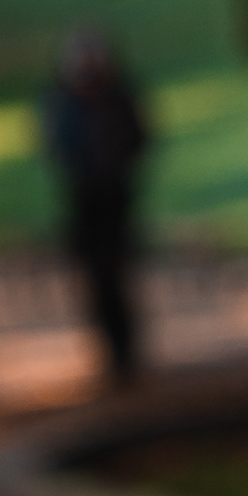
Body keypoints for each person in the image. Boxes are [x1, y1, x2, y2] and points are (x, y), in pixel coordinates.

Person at [38, 25, 153, 389]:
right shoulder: (62, 100)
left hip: (117, 200)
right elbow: (55, 146)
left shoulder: (118, 96)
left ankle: (125, 352)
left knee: (117, 275)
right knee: (94, 280)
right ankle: (110, 352)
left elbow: (140, 139)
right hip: (84, 202)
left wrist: (118, 169)